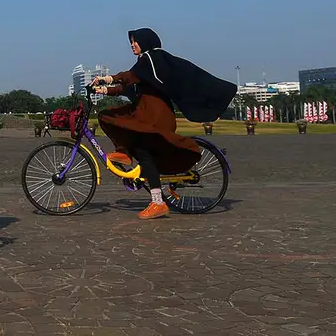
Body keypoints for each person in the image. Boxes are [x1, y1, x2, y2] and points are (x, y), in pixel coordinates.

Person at [92, 27, 237, 220]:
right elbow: (129, 87)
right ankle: (124, 152)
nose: (132, 45)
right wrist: (103, 91)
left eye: (135, 41)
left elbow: (129, 76)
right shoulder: (146, 64)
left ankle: (158, 202)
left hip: (157, 115)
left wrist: (107, 78)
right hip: (144, 112)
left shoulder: (152, 59)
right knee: (108, 115)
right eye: (131, 43)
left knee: (144, 152)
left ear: (146, 41)